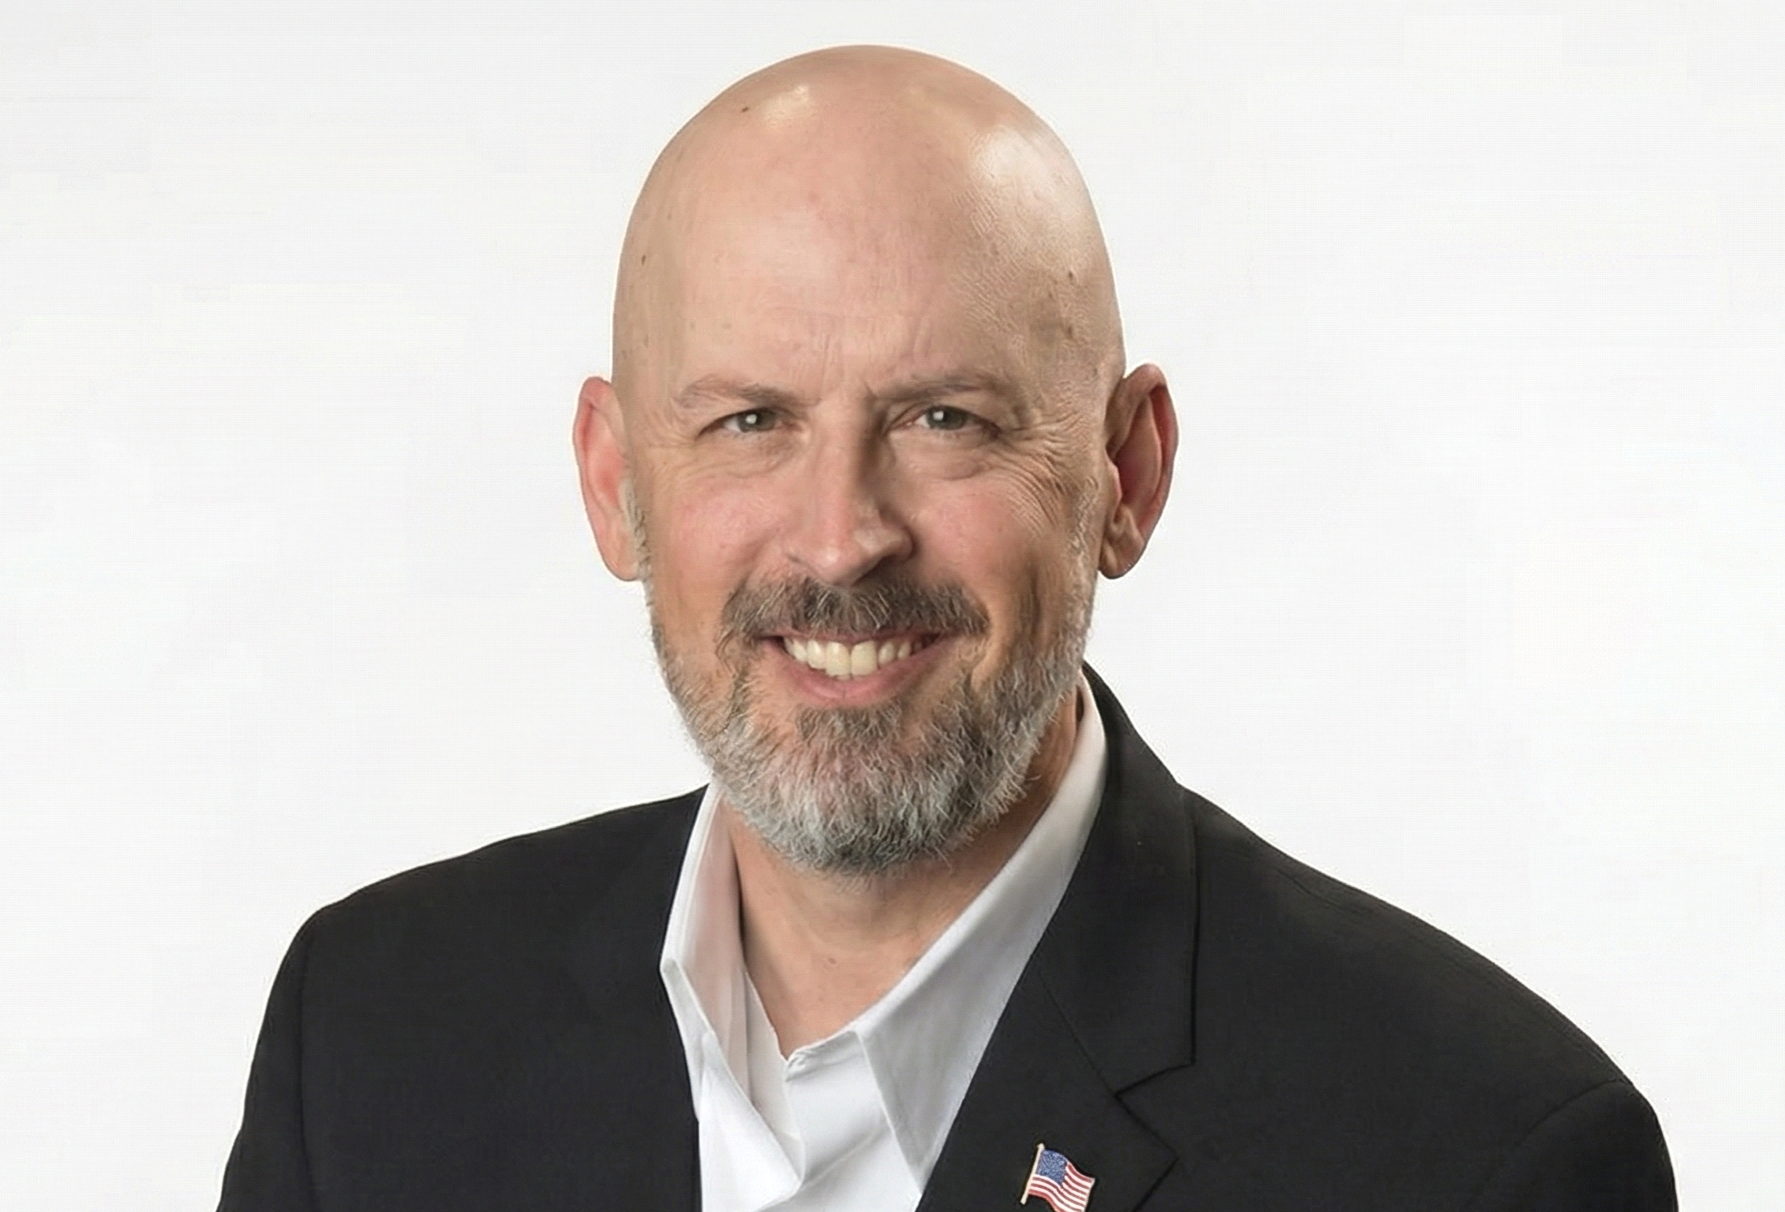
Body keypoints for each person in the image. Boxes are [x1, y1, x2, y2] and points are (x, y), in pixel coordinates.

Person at [217, 46, 1675, 1212]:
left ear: (1127, 474)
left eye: (943, 419)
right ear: (614, 490)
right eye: (750, 421)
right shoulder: (372, 1038)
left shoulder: (1478, 1158)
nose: (844, 534)